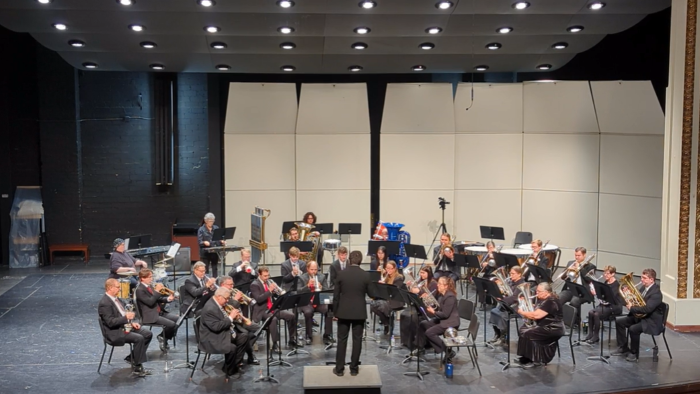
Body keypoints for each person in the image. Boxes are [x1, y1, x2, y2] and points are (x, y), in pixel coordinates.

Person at [98, 278, 153, 377]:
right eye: (118, 287)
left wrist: (132, 322)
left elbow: (124, 313)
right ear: (110, 288)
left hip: (124, 327)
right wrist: (125, 318)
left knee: (147, 334)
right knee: (139, 338)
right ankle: (137, 367)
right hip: (115, 333)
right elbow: (110, 322)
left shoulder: (117, 299)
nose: (120, 289)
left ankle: (132, 357)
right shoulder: (105, 303)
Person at [333, 250, 371, 377]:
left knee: (342, 340)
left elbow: (336, 296)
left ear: (349, 259)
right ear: (360, 261)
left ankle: (339, 369)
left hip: (343, 312)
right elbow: (371, 294)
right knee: (357, 340)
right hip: (359, 312)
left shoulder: (341, 274)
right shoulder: (365, 275)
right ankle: (354, 369)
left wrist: (335, 312)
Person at [612, 268, 664, 362]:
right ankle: (623, 347)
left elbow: (647, 309)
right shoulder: (644, 287)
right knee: (619, 321)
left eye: (644, 278)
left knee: (633, 329)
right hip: (640, 316)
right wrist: (628, 294)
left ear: (651, 279)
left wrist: (632, 308)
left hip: (651, 321)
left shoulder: (656, 293)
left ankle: (634, 353)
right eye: (641, 277)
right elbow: (637, 300)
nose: (641, 280)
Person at [197, 287, 249, 380]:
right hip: (212, 338)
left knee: (244, 336)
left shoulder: (218, 303)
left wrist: (235, 317)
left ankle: (234, 366)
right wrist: (230, 318)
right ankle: (229, 371)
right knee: (232, 348)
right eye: (226, 298)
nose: (228, 300)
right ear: (219, 297)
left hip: (222, 332)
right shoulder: (210, 308)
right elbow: (216, 327)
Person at [515, 282, 565, 368]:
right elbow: (538, 308)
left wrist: (521, 312)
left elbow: (536, 315)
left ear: (547, 292)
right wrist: (525, 303)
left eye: (539, 291)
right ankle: (526, 357)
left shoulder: (551, 301)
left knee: (529, 333)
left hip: (553, 328)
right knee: (523, 329)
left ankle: (536, 360)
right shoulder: (542, 299)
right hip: (544, 325)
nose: (536, 293)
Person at [250, 267, 299, 352]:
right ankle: (275, 343)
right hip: (262, 310)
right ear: (259, 275)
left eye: (268, 275)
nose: (267, 277)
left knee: (291, 316)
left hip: (272, 308)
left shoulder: (269, 282)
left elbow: (275, 296)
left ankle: (292, 339)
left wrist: (277, 292)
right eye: (265, 276)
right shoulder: (254, 284)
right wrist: (269, 291)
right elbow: (259, 299)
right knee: (273, 319)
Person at [217, 276, 260, 366]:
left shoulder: (232, 292)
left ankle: (245, 352)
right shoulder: (220, 295)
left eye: (233, 284)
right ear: (222, 285)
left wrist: (242, 301)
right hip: (232, 322)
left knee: (258, 328)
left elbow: (241, 306)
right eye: (230, 284)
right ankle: (249, 356)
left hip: (240, 319)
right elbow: (227, 308)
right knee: (246, 335)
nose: (232, 286)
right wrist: (236, 300)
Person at [416, 277, 460, 363]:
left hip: (450, 322)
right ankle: (420, 348)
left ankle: (448, 351)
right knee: (423, 324)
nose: (437, 285)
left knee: (429, 333)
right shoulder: (441, 295)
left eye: (440, 284)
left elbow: (445, 314)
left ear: (446, 286)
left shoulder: (450, 297)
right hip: (443, 319)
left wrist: (433, 311)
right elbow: (439, 307)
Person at [134, 269, 178, 352]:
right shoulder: (139, 290)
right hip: (149, 315)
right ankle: (163, 337)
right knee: (171, 324)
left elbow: (158, 298)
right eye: (149, 277)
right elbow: (150, 302)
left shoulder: (149, 286)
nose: (151, 279)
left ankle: (163, 337)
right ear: (142, 278)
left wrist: (168, 299)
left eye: (151, 277)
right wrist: (157, 291)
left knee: (178, 320)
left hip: (158, 312)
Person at [583, 265, 625, 344]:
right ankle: (590, 334)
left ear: (613, 274)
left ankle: (596, 336)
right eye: (605, 273)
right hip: (606, 304)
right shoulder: (606, 282)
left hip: (614, 306)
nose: (605, 275)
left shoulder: (616, 285)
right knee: (591, 312)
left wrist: (597, 294)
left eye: (608, 274)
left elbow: (610, 298)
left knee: (596, 314)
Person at [400, 266, 437, 351]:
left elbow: (430, 297)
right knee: (405, 315)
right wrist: (410, 287)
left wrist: (419, 292)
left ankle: (419, 342)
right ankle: (407, 341)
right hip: (419, 305)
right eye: (421, 272)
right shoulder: (420, 281)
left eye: (423, 273)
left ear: (429, 273)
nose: (421, 274)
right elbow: (413, 293)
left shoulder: (433, 283)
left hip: (428, 308)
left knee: (414, 318)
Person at [297, 261, 334, 345]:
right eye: (311, 269)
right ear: (307, 269)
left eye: (315, 269)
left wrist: (322, 287)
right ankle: (308, 336)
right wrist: (307, 286)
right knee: (308, 312)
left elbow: (327, 291)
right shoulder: (302, 278)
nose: (313, 272)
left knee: (329, 310)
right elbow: (298, 291)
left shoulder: (322, 277)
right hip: (307, 302)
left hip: (318, 301)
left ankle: (327, 335)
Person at [488, 266, 526, 346]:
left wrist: (502, 299)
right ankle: (497, 334)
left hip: (516, 306)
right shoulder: (511, 282)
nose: (511, 275)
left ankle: (504, 337)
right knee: (494, 311)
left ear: (519, 274)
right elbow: (506, 293)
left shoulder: (521, 284)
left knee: (502, 315)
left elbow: (514, 298)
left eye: (513, 274)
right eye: (510, 273)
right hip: (507, 304)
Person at [370, 260, 405, 335]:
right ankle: (387, 322)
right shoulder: (387, 277)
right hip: (386, 299)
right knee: (373, 306)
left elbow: (394, 290)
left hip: (396, 300)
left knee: (381, 305)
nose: (388, 270)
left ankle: (388, 323)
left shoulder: (399, 278)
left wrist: (384, 285)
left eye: (390, 268)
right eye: (387, 268)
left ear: (395, 268)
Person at [198, 212, 226, 277]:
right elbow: (199, 242)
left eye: (213, 221)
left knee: (215, 267)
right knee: (206, 268)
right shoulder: (201, 230)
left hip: (214, 251)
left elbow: (219, 239)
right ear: (206, 221)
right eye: (210, 221)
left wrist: (222, 241)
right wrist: (204, 242)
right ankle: (206, 282)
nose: (211, 223)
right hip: (205, 252)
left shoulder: (216, 228)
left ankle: (215, 281)